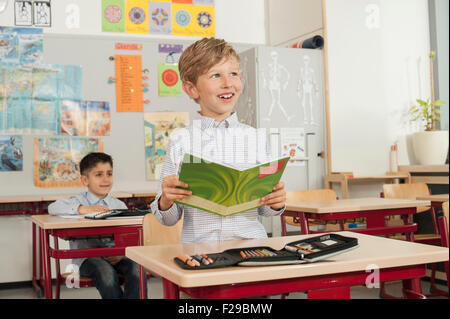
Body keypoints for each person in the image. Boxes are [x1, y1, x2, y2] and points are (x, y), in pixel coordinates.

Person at [150, 38, 286, 243]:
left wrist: (274, 203)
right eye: (216, 75)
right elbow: (169, 219)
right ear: (191, 89)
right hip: (200, 248)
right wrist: (166, 200)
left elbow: (265, 210)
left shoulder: (255, 138)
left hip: (252, 244)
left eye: (233, 73)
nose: (228, 83)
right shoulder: (181, 140)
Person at [48, 152, 142, 299]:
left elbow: (128, 234)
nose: (105, 179)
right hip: (87, 259)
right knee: (106, 273)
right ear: (85, 180)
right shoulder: (78, 201)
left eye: (109, 174)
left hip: (115, 256)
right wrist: (83, 209)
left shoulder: (119, 205)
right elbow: (53, 208)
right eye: (98, 174)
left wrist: (122, 253)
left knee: (138, 268)